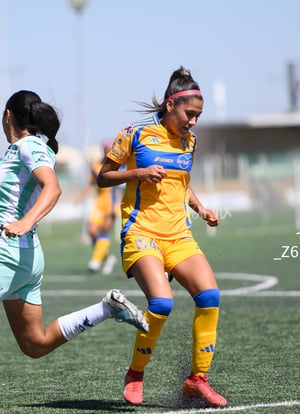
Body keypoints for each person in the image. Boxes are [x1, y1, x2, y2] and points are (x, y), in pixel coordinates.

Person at [97, 67, 228, 408]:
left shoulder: (190, 141)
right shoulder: (135, 133)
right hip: (141, 232)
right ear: (171, 105)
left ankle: (197, 379)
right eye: (190, 114)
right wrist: (139, 173)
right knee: (162, 303)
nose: (193, 122)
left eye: (198, 116)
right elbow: (103, 176)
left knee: (210, 296)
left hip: (178, 234)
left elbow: (182, 184)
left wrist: (201, 208)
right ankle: (136, 374)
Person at [0, 90, 148, 363]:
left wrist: (25, 221)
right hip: (26, 255)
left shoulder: (28, 146)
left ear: (8, 115)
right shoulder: (22, 151)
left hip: (8, 251)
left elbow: (53, 188)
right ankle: (106, 309)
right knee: (35, 343)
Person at [76, 140, 121, 275]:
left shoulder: (118, 164)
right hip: (99, 204)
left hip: (112, 204)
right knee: (92, 231)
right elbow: (91, 183)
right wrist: (81, 197)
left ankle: (95, 261)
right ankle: (108, 258)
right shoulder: (96, 166)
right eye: (105, 148)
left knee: (104, 232)